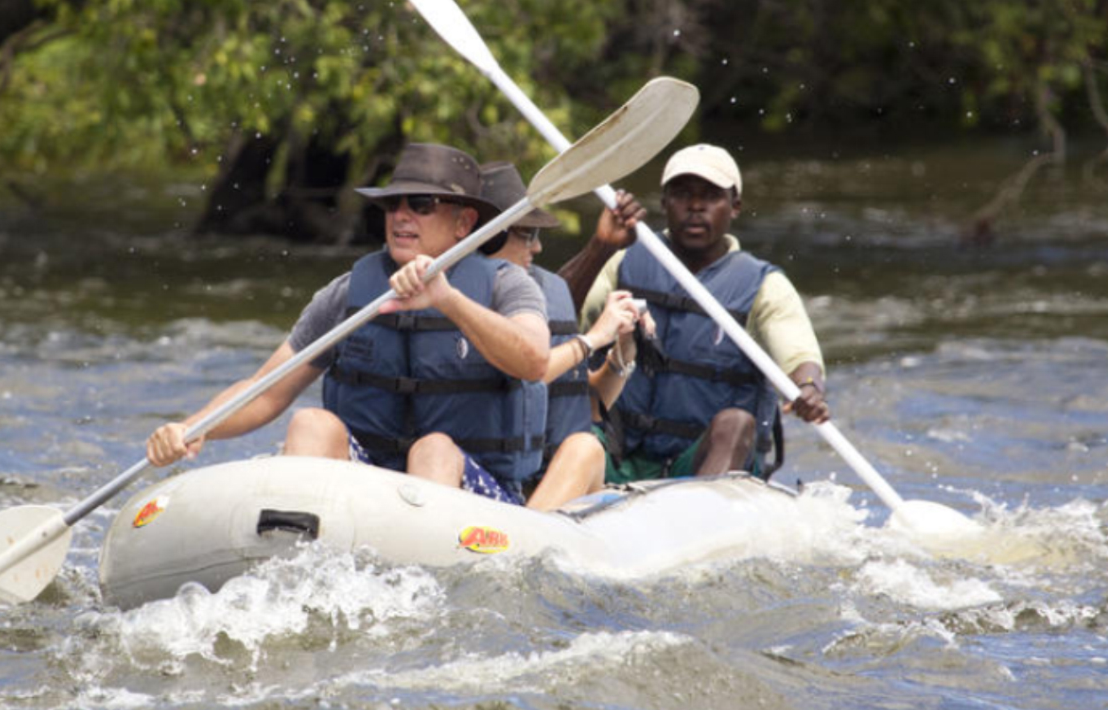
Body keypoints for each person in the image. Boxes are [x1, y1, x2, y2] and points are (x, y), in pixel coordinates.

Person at [146, 143, 551, 504]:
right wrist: (195, 427)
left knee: (434, 449)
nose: (402, 216)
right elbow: (265, 390)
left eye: (421, 204)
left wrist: (448, 300)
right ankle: (293, 555)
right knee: (312, 423)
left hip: (477, 494)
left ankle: (420, 570)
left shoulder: (507, 285)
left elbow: (534, 361)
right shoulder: (348, 295)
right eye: (394, 204)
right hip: (371, 484)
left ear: (463, 224)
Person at [561, 144, 829, 482]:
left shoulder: (765, 285)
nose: (696, 206)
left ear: (735, 206)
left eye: (711, 196)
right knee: (572, 430)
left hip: (704, 462)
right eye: (682, 194)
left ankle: (700, 515)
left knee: (736, 422)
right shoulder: (623, 261)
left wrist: (808, 389)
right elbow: (555, 322)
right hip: (620, 452)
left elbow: (801, 358)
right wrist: (601, 246)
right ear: (664, 203)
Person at [475, 162, 645, 510]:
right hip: (480, 479)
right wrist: (593, 338)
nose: (536, 248)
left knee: (585, 446)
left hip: (546, 478)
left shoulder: (537, 295)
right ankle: (522, 544)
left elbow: (589, 400)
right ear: (486, 236)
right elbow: (524, 372)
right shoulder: (454, 304)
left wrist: (622, 348)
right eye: (528, 234)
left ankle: (527, 537)